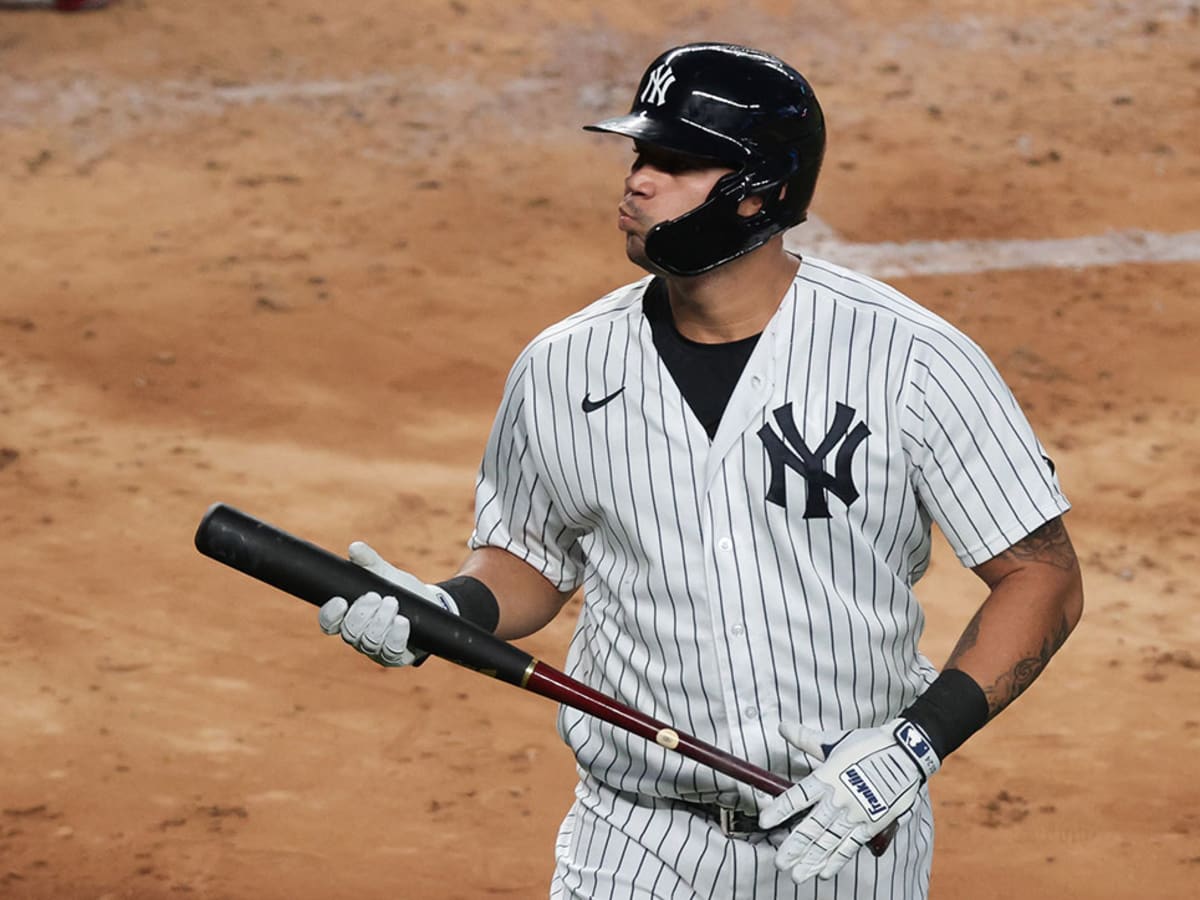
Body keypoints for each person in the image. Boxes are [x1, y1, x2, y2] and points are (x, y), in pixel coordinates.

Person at [319, 42, 1084, 899]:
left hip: (844, 840)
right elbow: (529, 558)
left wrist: (913, 745)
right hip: (634, 842)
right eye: (640, 155)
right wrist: (447, 607)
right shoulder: (562, 366)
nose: (638, 181)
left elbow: (1042, 578)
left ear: (760, 191)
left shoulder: (909, 358)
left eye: (677, 162)